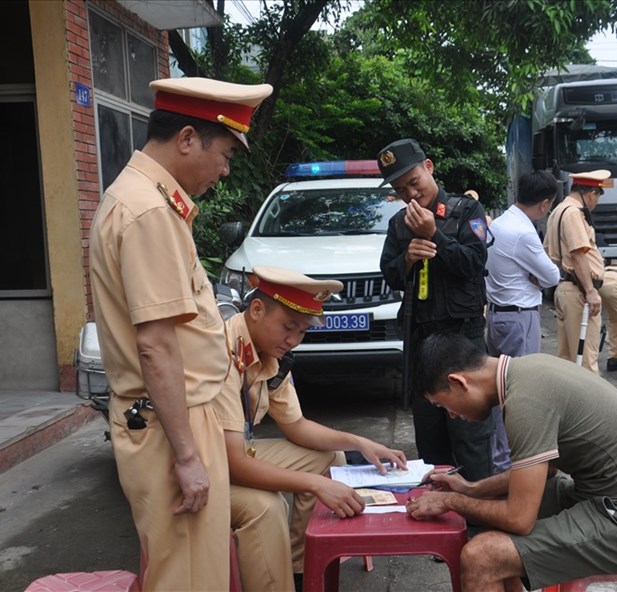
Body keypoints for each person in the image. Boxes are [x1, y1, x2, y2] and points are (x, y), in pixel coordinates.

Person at [89, 77, 272, 591]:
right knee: (189, 579)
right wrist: (188, 457)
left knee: (194, 570)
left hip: (174, 417)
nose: (225, 169)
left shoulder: (143, 200)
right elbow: (156, 344)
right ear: (188, 138)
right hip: (174, 424)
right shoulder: (148, 212)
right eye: (226, 154)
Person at [406, 333, 617, 592]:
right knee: (489, 515)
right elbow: (546, 471)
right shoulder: (526, 371)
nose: (451, 416)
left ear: (459, 382)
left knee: (482, 556)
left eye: (443, 405)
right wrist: (469, 490)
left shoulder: (525, 402)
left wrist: (449, 501)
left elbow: (520, 519)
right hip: (598, 498)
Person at [217, 266, 408, 592]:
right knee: (267, 506)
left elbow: (297, 426)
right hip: (198, 467)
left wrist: (359, 442)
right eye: (288, 327)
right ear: (257, 309)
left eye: (302, 332)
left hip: (230, 454)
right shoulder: (222, 352)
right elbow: (232, 464)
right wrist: (316, 487)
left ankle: (300, 569)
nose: (293, 340)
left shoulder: (270, 353)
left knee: (329, 457)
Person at [378, 138, 497, 483]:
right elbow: (389, 273)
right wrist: (407, 260)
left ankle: (480, 522)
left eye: (413, 182)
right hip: (422, 341)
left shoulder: (466, 211)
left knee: (471, 439)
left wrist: (435, 237)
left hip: (464, 341)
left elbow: (474, 263)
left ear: (429, 167)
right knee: (430, 442)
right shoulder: (400, 224)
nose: (410, 195)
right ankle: (440, 518)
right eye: (401, 190)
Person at [484, 170, 560, 469]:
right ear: (544, 203)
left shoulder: (500, 223)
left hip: (499, 316)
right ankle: (510, 463)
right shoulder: (524, 232)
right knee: (520, 392)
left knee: (501, 388)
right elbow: (552, 275)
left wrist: (534, 277)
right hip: (519, 319)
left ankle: (499, 457)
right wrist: (538, 278)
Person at [543, 170, 611, 373]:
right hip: (578, 291)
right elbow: (579, 254)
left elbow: (548, 251)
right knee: (586, 363)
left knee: (567, 360)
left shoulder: (558, 210)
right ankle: (591, 406)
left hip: (565, 288)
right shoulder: (574, 213)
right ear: (592, 193)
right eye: (596, 197)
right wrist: (590, 291)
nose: (595, 203)